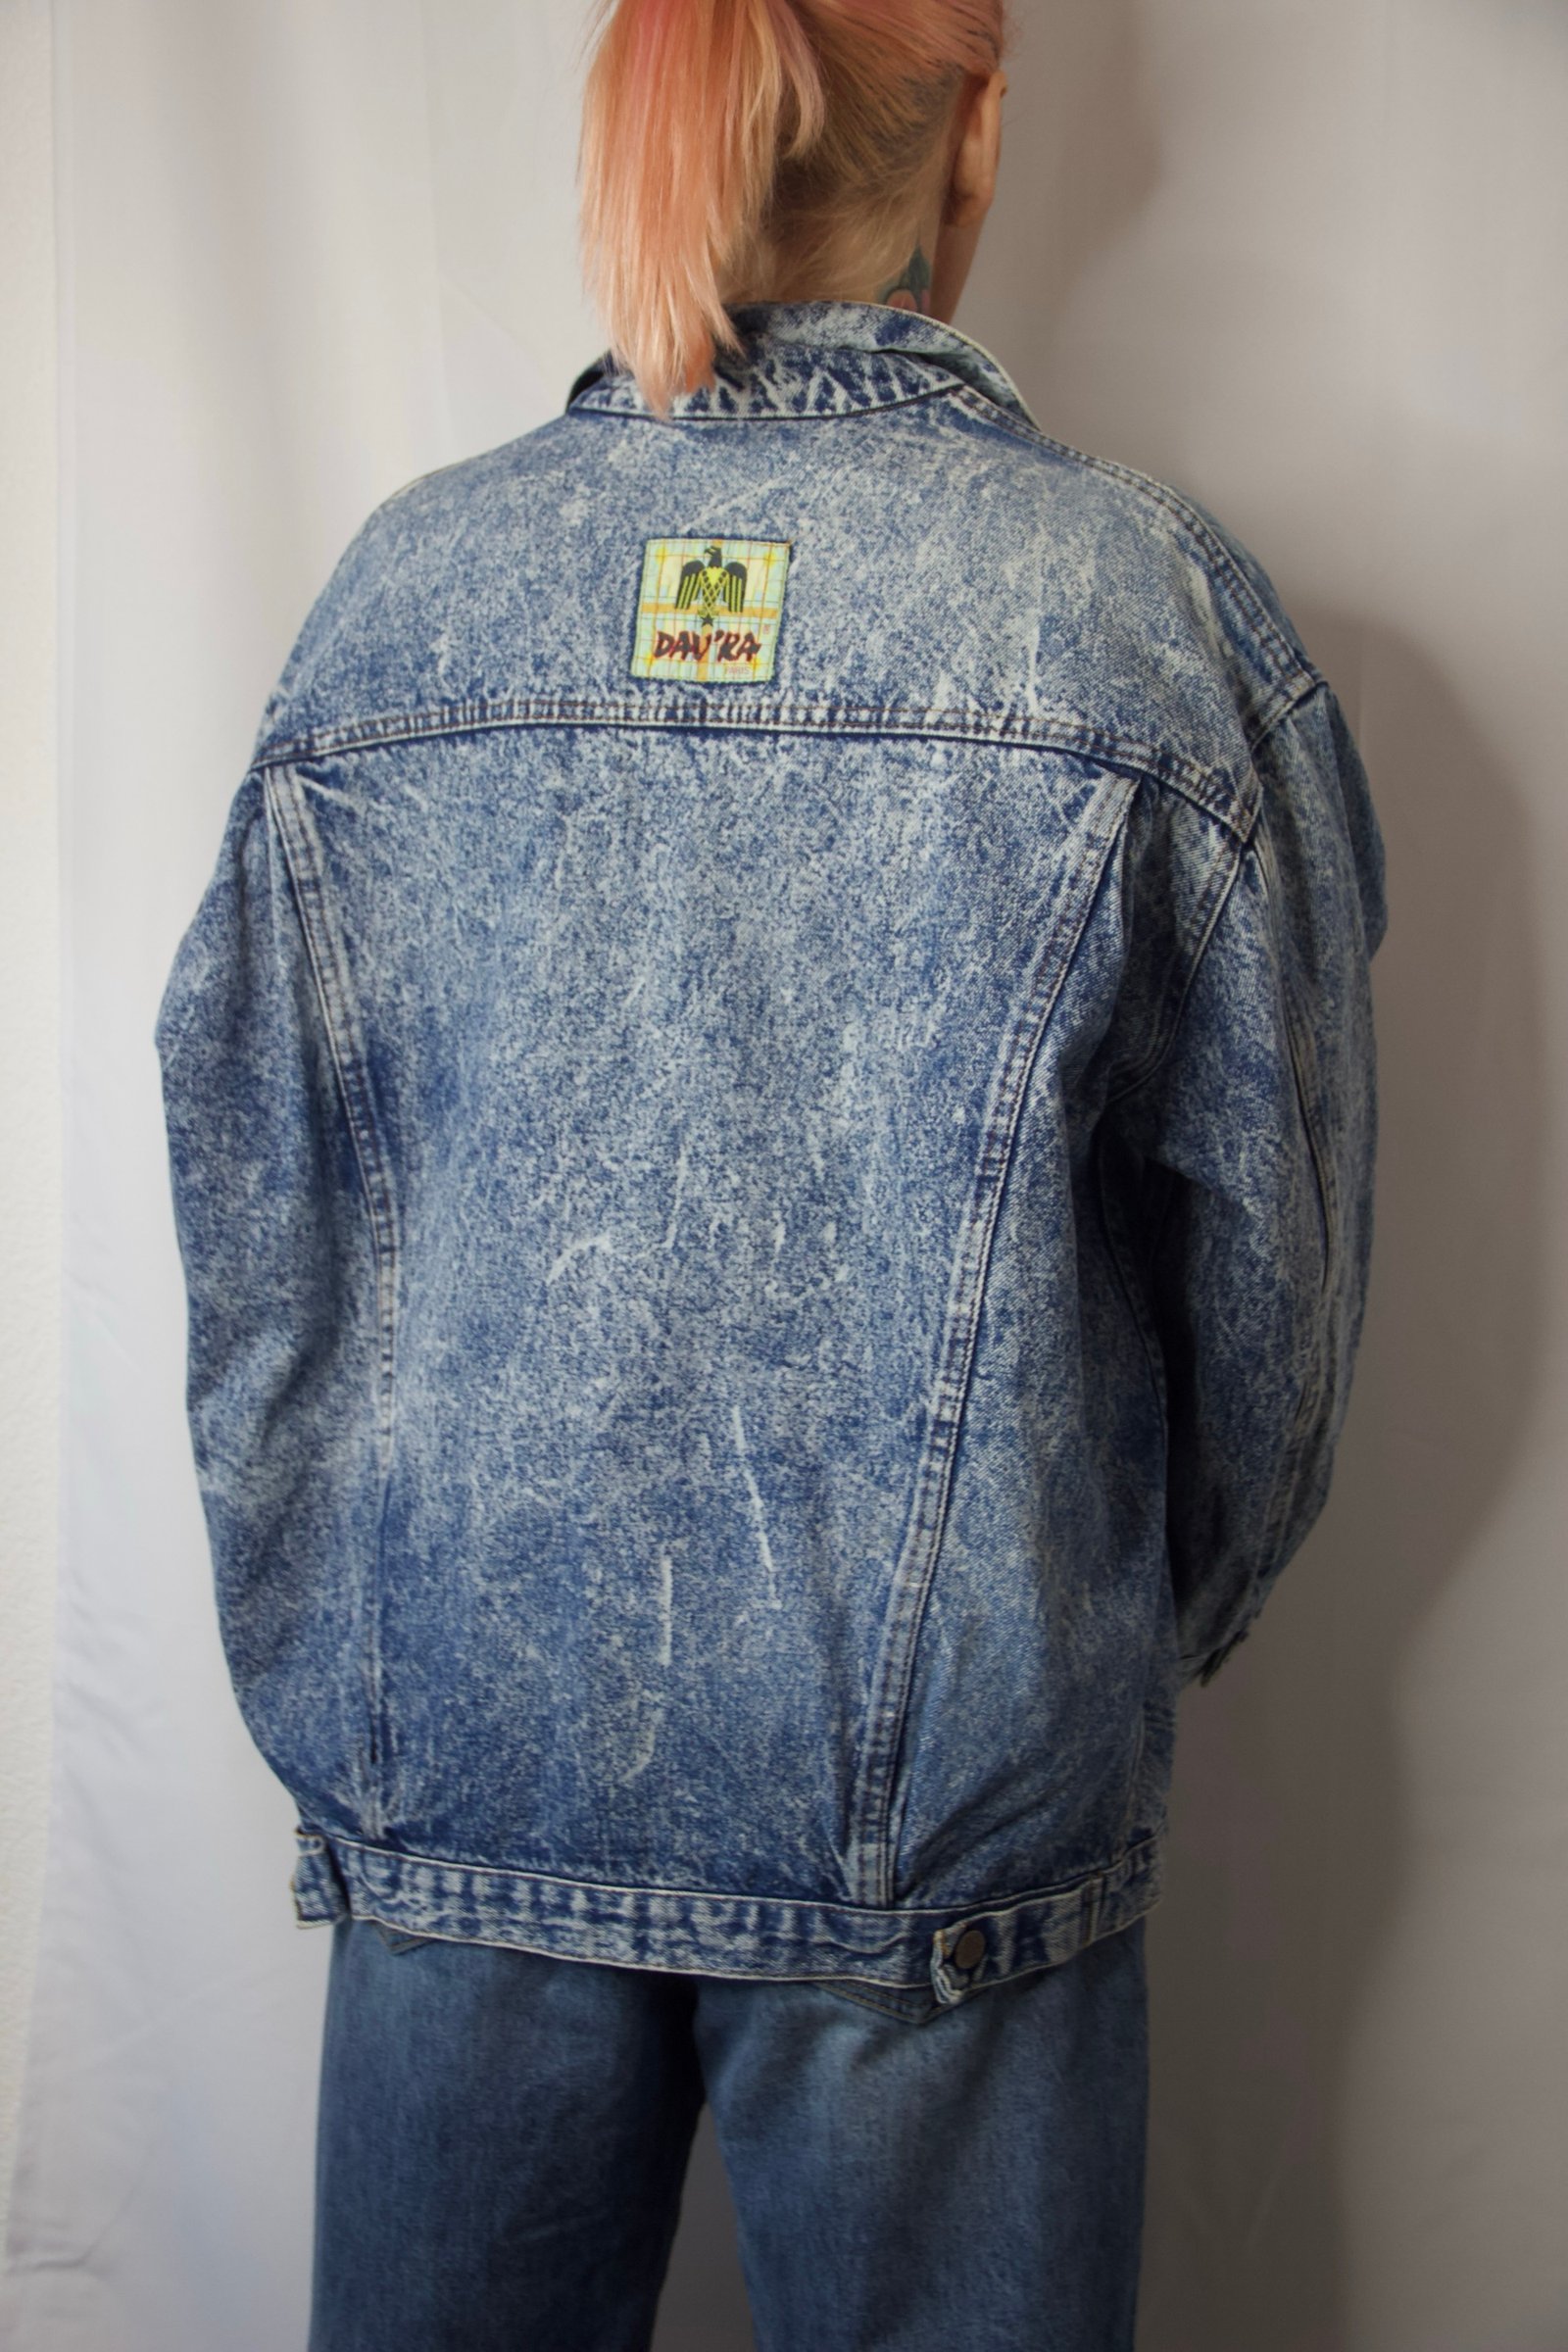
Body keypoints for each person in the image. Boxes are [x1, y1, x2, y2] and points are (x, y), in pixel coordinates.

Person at [154, 1, 1387, 2345]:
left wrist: (392, 1707)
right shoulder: (1135, 614)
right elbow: (1273, 1308)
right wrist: (1057, 1642)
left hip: (463, 1811)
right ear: (975, 133)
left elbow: (258, 1262)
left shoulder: (398, 602)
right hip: (950, 1845)